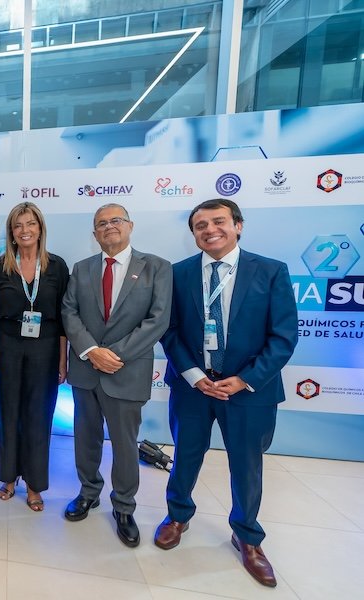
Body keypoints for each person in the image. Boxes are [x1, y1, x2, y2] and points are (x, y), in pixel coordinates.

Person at [156, 199, 298, 587]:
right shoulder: (178, 273)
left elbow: (284, 336)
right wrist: (193, 375)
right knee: (185, 454)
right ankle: (178, 516)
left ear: (238, 225)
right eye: (200, 225)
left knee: (246, 464)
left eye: (218, 221)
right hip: (193, 388)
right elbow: (169, 330)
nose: (209, 230)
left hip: (249, 391)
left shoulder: (270, 271)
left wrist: (245, 379)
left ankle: (247, 536)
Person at [60, 204, 172, 547]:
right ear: (94, 234)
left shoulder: (157, 267)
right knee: (86, 438)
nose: (109, 227)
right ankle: (88, 492)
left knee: (125, 445)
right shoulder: (81, 268)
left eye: (115, 221)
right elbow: (69, 311)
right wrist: (91, 351)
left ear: (130, 226)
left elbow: (157, 320)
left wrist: (114, 355)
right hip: (86, 370)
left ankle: (123, 507)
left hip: (127, 371)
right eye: (101, 223)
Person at [0, 202, 69, 511]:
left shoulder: (57, 266)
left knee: (39, 415)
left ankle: (35, 484)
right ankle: (9, 478)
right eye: (18, 225)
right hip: (7, 345)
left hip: (45, 347)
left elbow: (63, 317)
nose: (25, 230)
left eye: (30, 224)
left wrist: (62, 359)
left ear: (40, 228)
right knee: (9, 413)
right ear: (11, 232)